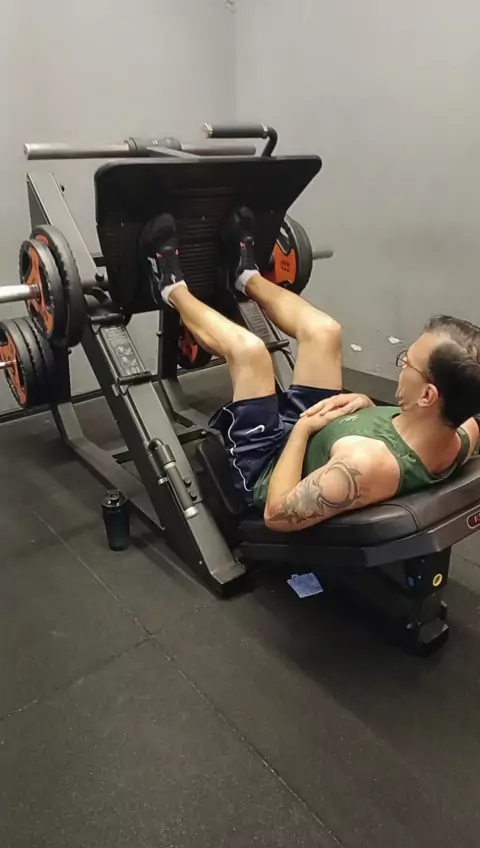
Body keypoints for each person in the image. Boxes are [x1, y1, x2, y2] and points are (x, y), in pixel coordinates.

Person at [140, 208, 480, 533]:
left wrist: (302, 430)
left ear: (427, 395)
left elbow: (276, 513)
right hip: (321, 430)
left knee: (250, 353)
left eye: (407, 361)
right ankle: (245, 277)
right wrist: (368, 407)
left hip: (267, 468)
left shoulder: (363, 465)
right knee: (324, 331)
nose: (402, 366)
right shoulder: (463, 432)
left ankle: (170, 288)